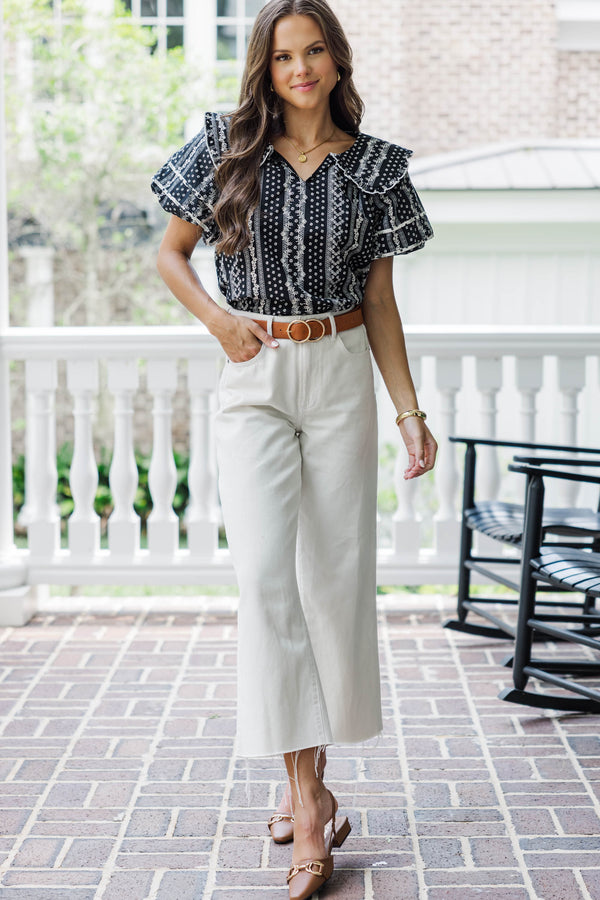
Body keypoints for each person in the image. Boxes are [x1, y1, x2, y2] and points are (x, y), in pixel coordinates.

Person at [152, 1, 437, 896]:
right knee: (267, 577)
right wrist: (219, 321)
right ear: (265, 69)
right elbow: (170, 255)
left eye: (314, 52)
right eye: (284, 56)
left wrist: (409, 412)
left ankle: (304, 779)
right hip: (256, 373)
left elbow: (381, 302)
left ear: (336, 61)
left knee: (333, 583)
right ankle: (310, 805)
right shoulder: (225, 146)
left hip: (342, 371)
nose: (301, 68)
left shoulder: (379, 169)